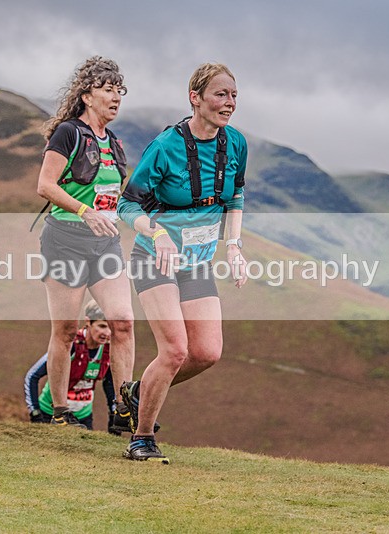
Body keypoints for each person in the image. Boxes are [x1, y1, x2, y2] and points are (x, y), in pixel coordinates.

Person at [117, 63, 247, 462]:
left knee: (206, 352)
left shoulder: (237, 143)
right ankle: (141, 438)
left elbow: (235, 196)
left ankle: (138, 392)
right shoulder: (165, 147)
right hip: (154, 258)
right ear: (196, 98)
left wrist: (234, 246)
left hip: (196, 263)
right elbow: (127, 203)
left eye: (234, 96)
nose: (229, 103)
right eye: (221, 95)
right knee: (174, 350)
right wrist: (156, 233)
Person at [34, 56, 134, 429]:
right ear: (88, 95)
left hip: (105, 243)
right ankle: (60, 411)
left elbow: (112, 195)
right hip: (66, 239)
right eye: (108, 89)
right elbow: (45, 185)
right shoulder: (68, 133)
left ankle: (125, 409)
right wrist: (83, 211)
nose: (116, 97)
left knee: (122, 322)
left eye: (119, 90)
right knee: (65, 330)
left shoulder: (115, 143)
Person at [24, 300, 120, 432]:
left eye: (111, 327)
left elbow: (109, 383)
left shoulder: (108, 350)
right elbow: (32, 376)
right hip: (51, 414)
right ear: (88, 322)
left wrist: (114, 415)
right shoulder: (70, 344)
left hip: (83, 416)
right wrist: (35, 412)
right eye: (102, 326)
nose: (107, 333)